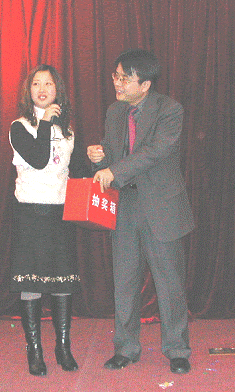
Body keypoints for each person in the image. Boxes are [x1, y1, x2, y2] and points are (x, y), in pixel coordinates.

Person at [87, 49, 195, 374]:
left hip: (160, 206)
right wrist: (99, 158)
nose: (117, 83)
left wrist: (114, 170)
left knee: (170, 282)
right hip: (125, 206)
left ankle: (177, 350)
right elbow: (113, 155)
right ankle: (125, 348)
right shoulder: (115, 111)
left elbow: (153, 152)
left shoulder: (170, 110)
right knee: (124, 281)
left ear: (145, 84)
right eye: (116, 76)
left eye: (124, 78)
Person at [9, 64, 86, 376]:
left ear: (58, 91)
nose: (42, 89)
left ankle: (63, 347)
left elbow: (75, 170)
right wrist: (44, 123)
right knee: (31, 283)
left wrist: (96, 158)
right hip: (30, 213)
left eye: (48, 84)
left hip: (60, 212)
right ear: (28, 91)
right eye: (36, 84)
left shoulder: (67, 131)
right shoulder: (19, 127)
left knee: (62, 281)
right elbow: (40, 160)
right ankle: (35, 350)